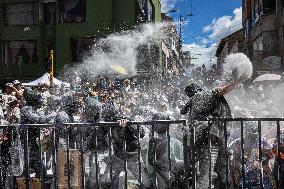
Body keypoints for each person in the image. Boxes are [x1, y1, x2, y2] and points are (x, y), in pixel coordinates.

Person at [180, 75, 246, 189]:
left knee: (206, 168)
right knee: (212, 170)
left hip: (197, 136)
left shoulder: (192, 99)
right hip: (210, 137)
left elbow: (183, 111)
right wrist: (237, 80)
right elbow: (223, 89)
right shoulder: (206, 94)